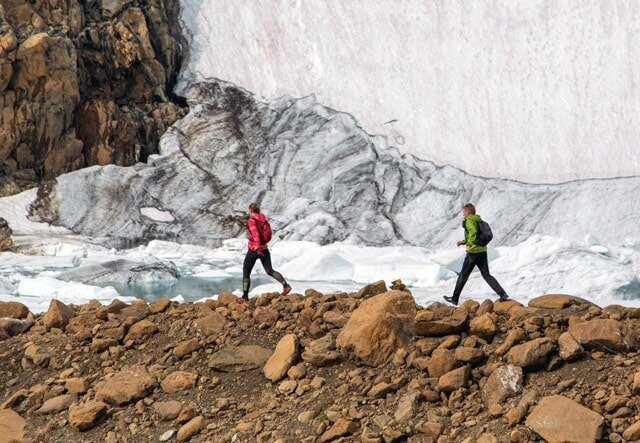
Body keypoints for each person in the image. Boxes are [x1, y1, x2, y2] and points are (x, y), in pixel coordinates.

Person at [443, 203, 508, 306]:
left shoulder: (470, 220)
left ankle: (454, 299)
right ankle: (502, 294)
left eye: (464, 212)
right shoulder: (478, 220)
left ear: (468, 212)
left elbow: (473, 233)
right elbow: (475, 235)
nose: (463, 214)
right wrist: (463, 242)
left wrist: (469, 245)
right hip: (482, 251)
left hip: (473, 252)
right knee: (486, 275)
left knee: (463, 274)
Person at [241, 203, 291, 301]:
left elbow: (255, 234)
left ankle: (245, 297)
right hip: (264, 249)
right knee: (270, 270)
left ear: (250, 210)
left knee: (246, 273)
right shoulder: (263, 219)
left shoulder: (252, 221)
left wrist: (256, 244)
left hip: (254, 250)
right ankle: (286, 285)